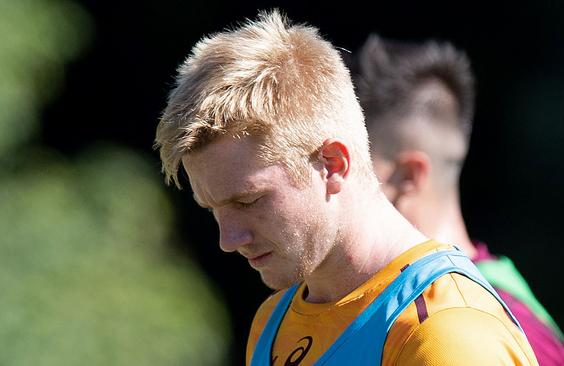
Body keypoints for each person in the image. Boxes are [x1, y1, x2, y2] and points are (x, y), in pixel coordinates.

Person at [155, 10, 538, 365]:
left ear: (333, 164)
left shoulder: (445, 335)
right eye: (212, 208)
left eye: (248, 199)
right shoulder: (273, 323)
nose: (228, 238)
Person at [351, 35, 564, 365]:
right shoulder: (374, 301)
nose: (331, 181)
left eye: (348, 163)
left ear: (409, 175)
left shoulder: (499, 329)